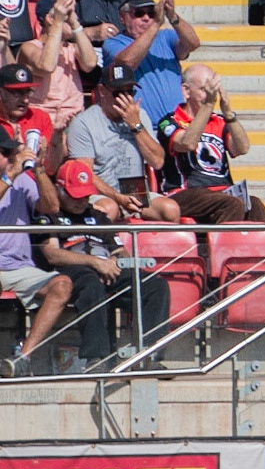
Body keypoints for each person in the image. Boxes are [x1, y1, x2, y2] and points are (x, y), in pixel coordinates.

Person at [35, 159, 172, 373]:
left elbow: (120, 250)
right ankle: (96, 359)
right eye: (75, 196)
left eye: (85, 195)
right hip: (72, 270)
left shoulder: (97, 215)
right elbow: (52, 254)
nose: (81, 201)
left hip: (107, 267)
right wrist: (95, 263)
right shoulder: (50, 214)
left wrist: (115, 263)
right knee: (91, 285)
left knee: (155, 285)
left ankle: (148, 354)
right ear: (59, 189)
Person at [62, 65, 180, 224]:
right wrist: (118, 198)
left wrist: (136, 125)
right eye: (118, 93)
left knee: (170, 210)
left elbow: (157, 162)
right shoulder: (83, 123)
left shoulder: (139, 115)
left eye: (129, 92)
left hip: (135, 192)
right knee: (109, 209)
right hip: (102, 194)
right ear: (102, 91)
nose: (125, 99)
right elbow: (84, 172)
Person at [156, 64, 265, 223]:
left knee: (254, 204)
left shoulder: (218, 121)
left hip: (222, 191)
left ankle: (259, 241)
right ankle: (222, 240)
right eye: (204, 90)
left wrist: (228, 114)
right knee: (231, 204)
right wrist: (208, 104)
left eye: (212, 90)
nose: (210, 95)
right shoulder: (170, 121)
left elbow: (242, 148)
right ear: (186, 91)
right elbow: (187, 144)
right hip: (184, 192)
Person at [0, 128, 71, 377]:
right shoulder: (11, 176)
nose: (11, 157)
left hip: (18, 266)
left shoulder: (20, 180)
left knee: (62, 285)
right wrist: (9, 175)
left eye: (11, 152)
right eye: (4, 152)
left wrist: (39, 169)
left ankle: (22, 358)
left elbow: (51, 207)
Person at [104, 0, 201, 131]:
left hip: (177, 125)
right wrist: (155, 24)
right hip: (139, 128)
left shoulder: (165, 36)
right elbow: (127, 62)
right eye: (139, 13)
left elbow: (193, 43)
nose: (146, 18)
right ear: (122, 18)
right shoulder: (113, 43)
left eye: (151, 13)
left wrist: (172, 16)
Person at [17, 0, 96, 131]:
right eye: (66, 15)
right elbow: (47, 66)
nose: (72, 17)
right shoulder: (29, 47)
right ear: (50, 19)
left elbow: (90, 64)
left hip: (74, 121)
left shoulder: (71, 48)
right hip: (43, 122)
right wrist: (58, 23)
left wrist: (75, 24)